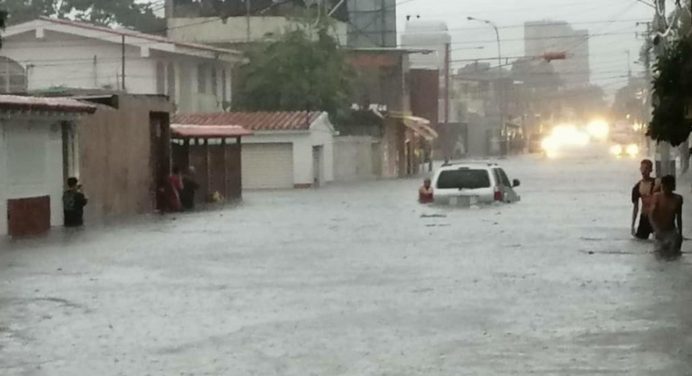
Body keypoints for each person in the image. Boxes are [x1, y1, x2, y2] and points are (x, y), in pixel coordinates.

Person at [649, 175, 684, 256]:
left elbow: (679, 217)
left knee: (675, 256)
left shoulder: (678, 198)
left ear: (672, 186)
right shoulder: (656, 197)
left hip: (672, 232)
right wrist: (656, 229)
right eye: (663, 185)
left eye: (668, 185)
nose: (664, 188)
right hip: (659, 232)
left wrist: (680, 234)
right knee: (659, 256)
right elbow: (651, 215)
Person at [631, 159, 659, 239]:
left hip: (657, 218)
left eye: (646, 168)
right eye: (642, 168)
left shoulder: (657, 184)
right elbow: (635, 208)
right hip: (644, 218)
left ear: (651, 170)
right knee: (640, 241)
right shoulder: (637, 187)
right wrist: (632, 225)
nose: (644, 171)